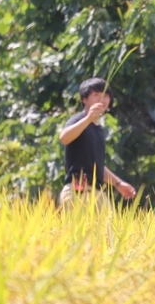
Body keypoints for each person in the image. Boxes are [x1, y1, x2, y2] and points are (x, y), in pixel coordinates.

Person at [58, 78, 136, 209]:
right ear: (84, 99)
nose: (101, 99)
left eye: (105, 96)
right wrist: (88, 119)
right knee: (79, 230)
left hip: (98, 192)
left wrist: (118, 183)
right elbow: (64, 138)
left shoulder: (99, 129)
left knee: (109, 229)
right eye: (96, 95)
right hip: (77, 190)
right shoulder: (78, 120)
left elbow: (97, 165)